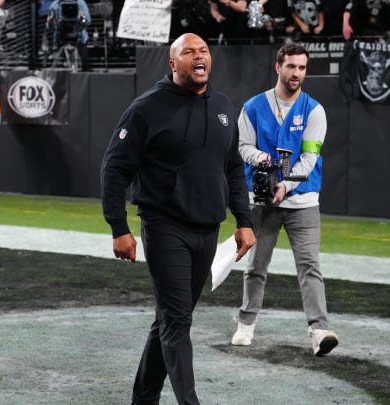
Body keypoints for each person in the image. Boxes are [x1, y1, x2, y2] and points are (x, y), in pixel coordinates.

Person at [100, 33, 256, 405]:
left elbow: (233, 167)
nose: (198, 56)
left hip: (207, 229)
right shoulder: (146, 108)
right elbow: (114, 169)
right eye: (188, 52)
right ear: (173, 64)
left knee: (171, 318)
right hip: (164, 226)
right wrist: (119, 228)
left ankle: (144, 398)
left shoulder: (222, 106)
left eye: (203, 51)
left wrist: (244, 220)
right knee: (177, 320)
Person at [230, 43, 339, 357]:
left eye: (302, 68)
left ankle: (319, 331)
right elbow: (243, 147)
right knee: (256, 265)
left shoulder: (314, 110)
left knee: (310, 267)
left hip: (302, 200)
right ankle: (246, 323)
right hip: (262, 199)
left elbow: (309, 157)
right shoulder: (252, 107)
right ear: (278, 67)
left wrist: (287, 185)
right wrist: (262, 158)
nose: (297, 73)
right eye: (291, 66)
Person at [46, 0, 91, 71]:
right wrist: (51, 21)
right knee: (60, 70)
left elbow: (87, 21)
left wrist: (82, 19)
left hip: (79, 38)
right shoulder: (55, 5)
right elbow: (49, 26)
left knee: (83, 68)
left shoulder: (80, 3)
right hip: (60, 39)